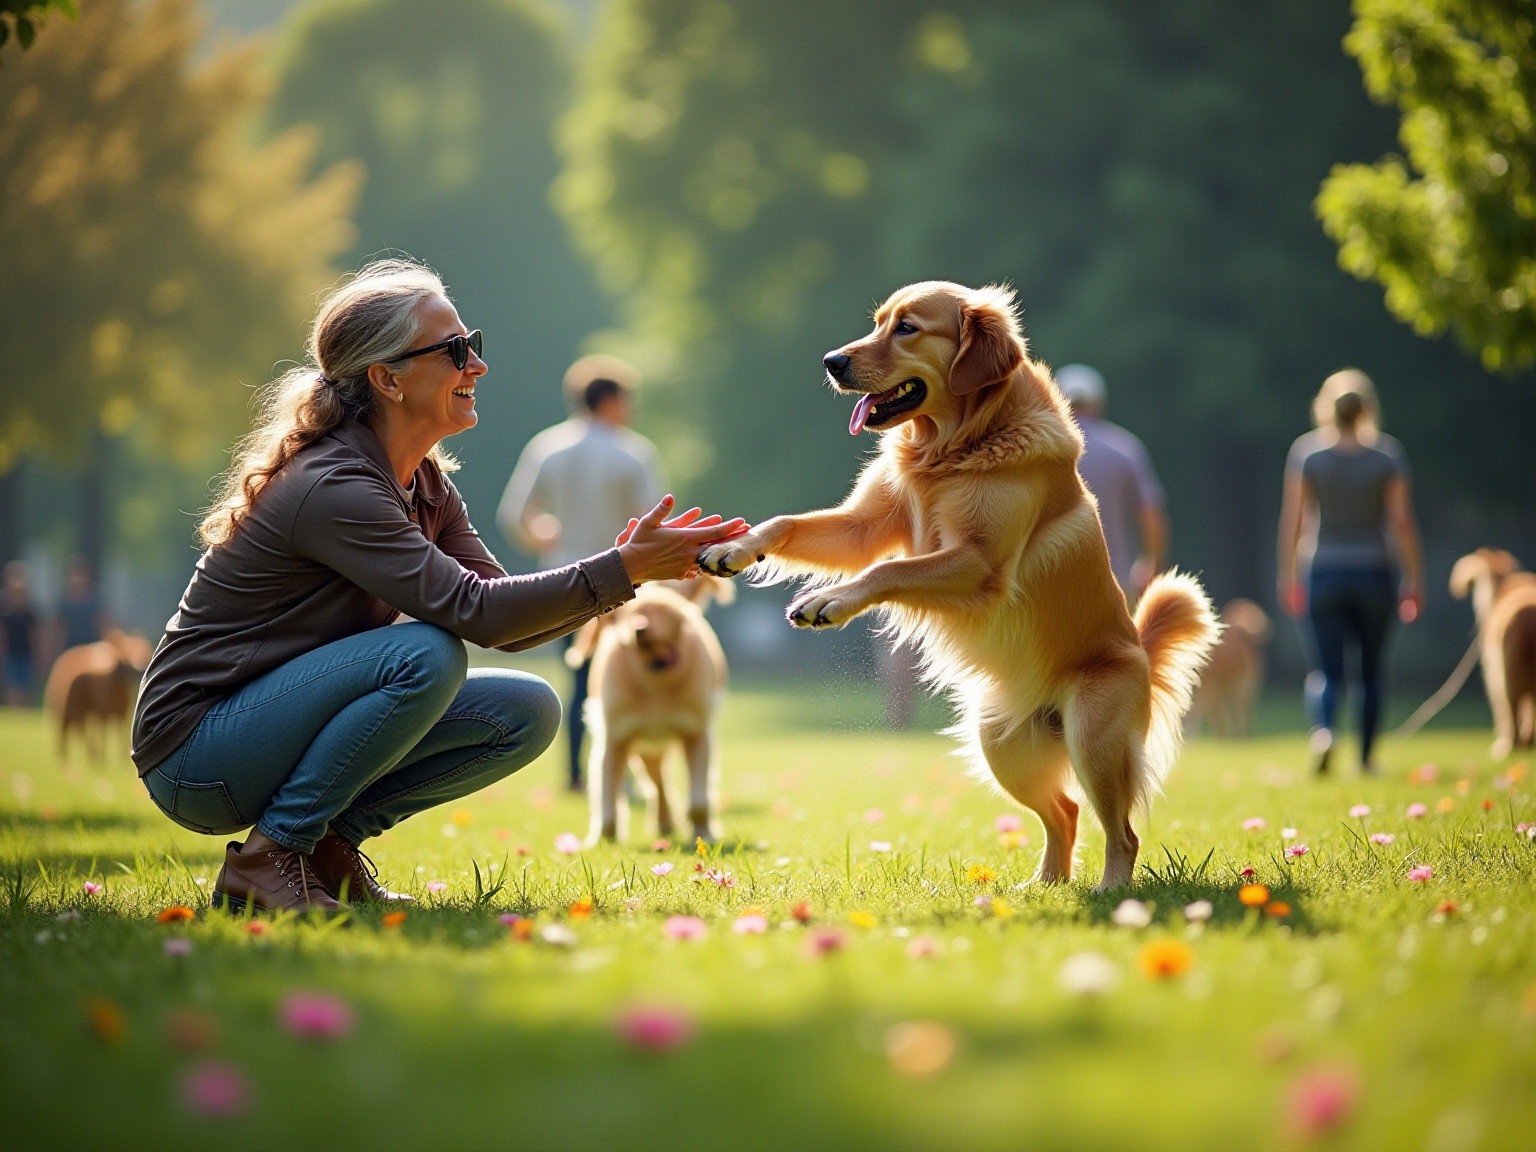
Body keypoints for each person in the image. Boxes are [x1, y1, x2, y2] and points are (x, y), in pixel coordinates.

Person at [130, 259, 743, 913]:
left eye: (471, 346)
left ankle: (325, 850)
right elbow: (474, 613)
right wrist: (624, 567)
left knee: (527, 711)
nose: (475, 366)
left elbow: (507, 618)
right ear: (387, 379)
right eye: (455, 351)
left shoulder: (424, 481)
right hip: (197, 755)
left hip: (264, 733)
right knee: (426, 654)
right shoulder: (336, 487)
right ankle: (270, 856)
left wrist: (631, 576)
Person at [497, 355, 665, 791]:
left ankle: (575, 774)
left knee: (578, 679)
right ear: (610, 400)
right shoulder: (633, 452)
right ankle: (625, 774)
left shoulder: (547, 447)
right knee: (625, 677)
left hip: (562, 579)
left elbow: (514, 515)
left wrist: (543, 536)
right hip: (622, 580)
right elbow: (654, 522)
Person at [1276, 369, 1422, 776]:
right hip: (1375, 570)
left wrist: (1287, 577)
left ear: (1326, 409)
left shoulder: (1308, 454)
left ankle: (1324, 730)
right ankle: (1367, 758)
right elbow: (1402, 522)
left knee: (1325, 668)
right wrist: (1413, 579)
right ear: (1367, 409)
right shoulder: (1387, 456)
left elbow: (1295, 521)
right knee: (1371, 671)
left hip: (1322, 570)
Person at [1055, 363, 1168, 602]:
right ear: (1099, 402)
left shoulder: (1048, 454)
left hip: (1055, 586)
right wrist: (1151, 569)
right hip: (1117, 582)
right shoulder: (1126, 450)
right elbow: (1152, 518)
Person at [1, 560, 41, 707]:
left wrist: (39, 657)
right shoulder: (4, 609)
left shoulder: (30, 610)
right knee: (12, 691)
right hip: (11, 654)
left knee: (26, 691)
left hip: (26, 654)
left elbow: (34, 636)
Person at [54, 556, 107, 655]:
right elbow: (60, 630)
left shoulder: (95, 600)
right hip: (70, 649)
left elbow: (101, 625)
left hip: (92, 648)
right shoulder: (65, 602)